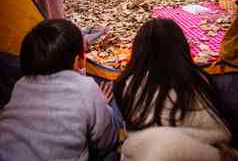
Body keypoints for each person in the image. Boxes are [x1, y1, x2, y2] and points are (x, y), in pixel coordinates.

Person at [114, 18, 237, 161]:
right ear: (182, 48)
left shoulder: (126, 84)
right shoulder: (202, 79)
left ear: (138, 51)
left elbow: (122, 134)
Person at [0, 19, 118, 161]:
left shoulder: (20, 84)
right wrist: (102, 104)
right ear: (76, 61)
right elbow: (105, 141)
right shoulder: (86, 88)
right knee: (112, 149)